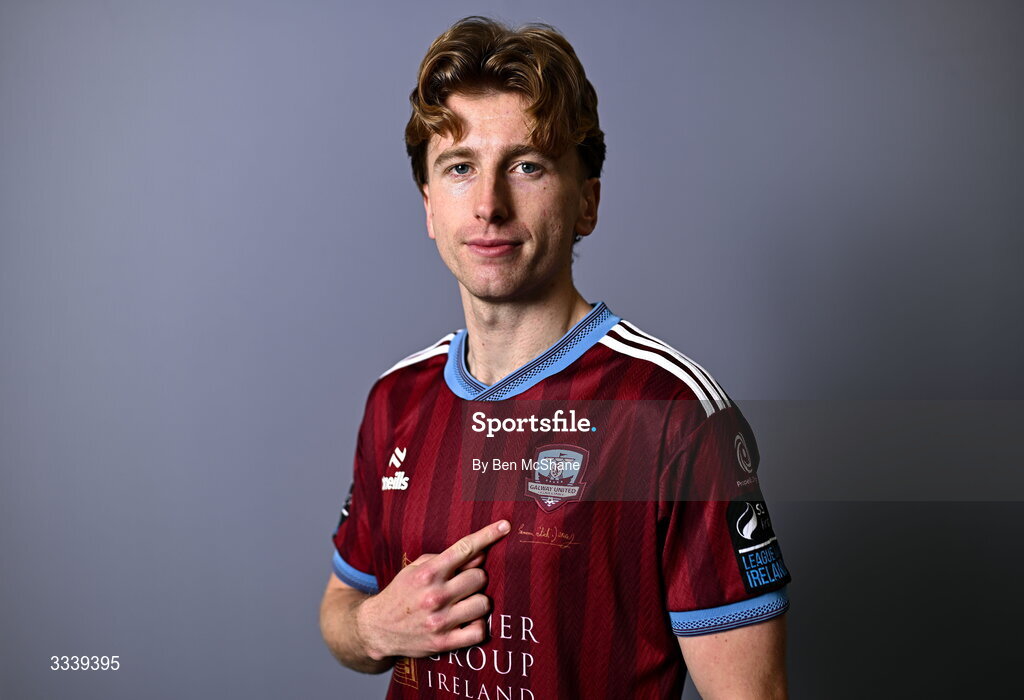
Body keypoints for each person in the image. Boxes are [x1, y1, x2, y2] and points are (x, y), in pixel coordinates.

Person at [319, 16, 790, 699]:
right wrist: (371, 627)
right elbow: (340, 608)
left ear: (586, 203)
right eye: (460, 168)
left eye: (527, 166)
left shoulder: (671, 414)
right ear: (429, 206)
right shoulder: (395, 399)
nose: (489, 205)